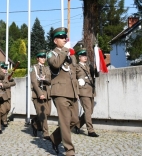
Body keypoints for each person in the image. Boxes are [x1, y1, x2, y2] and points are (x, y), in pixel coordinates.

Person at [47, 27, 79, 156]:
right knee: (65, 122)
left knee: (75, 120)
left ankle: (55, 138)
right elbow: (55, 64)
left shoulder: (70, 55)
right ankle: (69, 151)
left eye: (65, 37)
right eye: (61, 37)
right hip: (60, 92)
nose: (65, 39)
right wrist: (65, 50)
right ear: (55, 41)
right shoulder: (51, 54)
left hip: (72, 91)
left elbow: (75, 71)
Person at [75, 49, 99, 137]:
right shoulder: (77, 67)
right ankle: (90, 130)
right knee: (88, 110)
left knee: (90, 111)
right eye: (83, 56)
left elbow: (95, 75)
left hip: (91, 91)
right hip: (83, 91)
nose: (85, 57)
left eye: (86, 56)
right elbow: (74, 80)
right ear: (79, 57)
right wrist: (76, 92)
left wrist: (96, 69)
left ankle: (77, 125)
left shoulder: (89, 66)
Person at [30, 50, 51, 139]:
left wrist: (45, 79)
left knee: (47, 113)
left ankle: (35, 122)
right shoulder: (33, 68)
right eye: (41, 57)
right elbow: (34, 82)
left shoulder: (47, 68)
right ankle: (46, 133)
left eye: (44, 57)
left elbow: (50, 81)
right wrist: (40, 94)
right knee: (42, 115)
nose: (43, 59)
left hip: (47, 93)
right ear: (37, 58)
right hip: (38, 94)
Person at [0, 63, 15, 132]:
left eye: (6, 68)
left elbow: (14, 83)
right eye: (4, 68)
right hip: (1, 94)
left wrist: (4, 85)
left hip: (8, 94)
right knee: (2, 110)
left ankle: (2, 120)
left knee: (8, 108)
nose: (5, 70)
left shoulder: (8, 76)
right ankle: (1, 121)